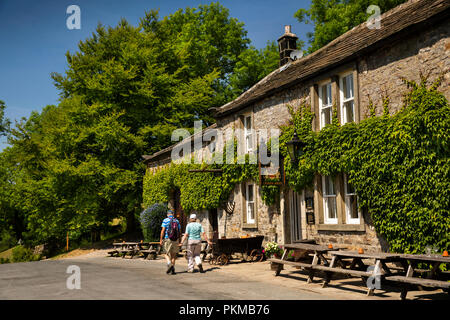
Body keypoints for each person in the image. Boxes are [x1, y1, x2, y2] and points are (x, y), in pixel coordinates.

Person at [160, 209, 181, 275]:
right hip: (175, 240)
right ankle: (173, 269)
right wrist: (179, 240)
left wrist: (161, 239)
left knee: (166, 253)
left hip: (168, 239)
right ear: (173, 214)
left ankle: (169, 263)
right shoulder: (176, 221)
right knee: (173, 255)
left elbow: (163, 231)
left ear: (167, 214)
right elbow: (179, 231)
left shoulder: (165, 220)